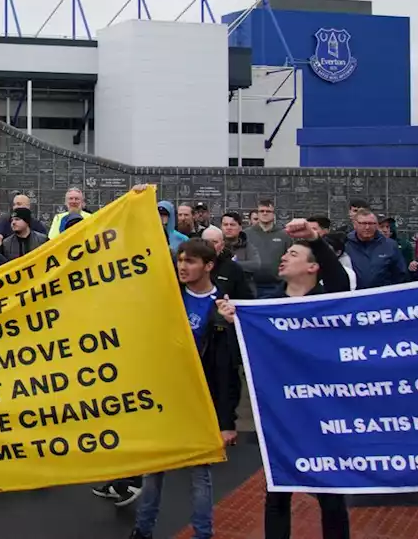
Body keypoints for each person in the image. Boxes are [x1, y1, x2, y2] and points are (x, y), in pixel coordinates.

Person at [218, 222, 350, 539]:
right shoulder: (267, 307)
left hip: (323, 411)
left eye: (292, 253)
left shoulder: (327, 299)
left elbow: (339, 280)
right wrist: (235, 322)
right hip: (281, 413)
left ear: (313, 266)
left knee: (331, 496)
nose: (283, 258)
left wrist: (315, 241)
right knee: (277, 492)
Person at [129, 238, 239, 539]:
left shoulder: (225, 305)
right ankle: (143, 529)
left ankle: (203, 534)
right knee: (153, 472)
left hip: (200, 401)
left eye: (190, 261)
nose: (182, 266)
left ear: (208, 265)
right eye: (180, 260)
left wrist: (226, 421)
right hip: (166, 396)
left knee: (200, 476)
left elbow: (229, 368)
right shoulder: (171, 294)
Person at [343, 208, 407, 288]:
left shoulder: (390, 245)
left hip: (381, 297)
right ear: (355, 224)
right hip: (353, 297)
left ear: (376, 225)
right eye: (363, 223)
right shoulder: (345, 244)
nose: (367, 227)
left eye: (371, 223)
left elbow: (400, 274)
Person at [244, 198, 289, 296]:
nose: (265, 213)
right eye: (261, 211)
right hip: (251, 286)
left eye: (268, 211)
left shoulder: (285, 235)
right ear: (258, 214)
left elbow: (290, 260)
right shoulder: (245, 234)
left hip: (277, 286)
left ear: (273, 214)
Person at [201, 226, 253, 301]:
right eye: (206, 242)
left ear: (222, 245)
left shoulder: (233, 269)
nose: (210, 246)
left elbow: (246, 300)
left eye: (214, 242)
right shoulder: (191, 266)